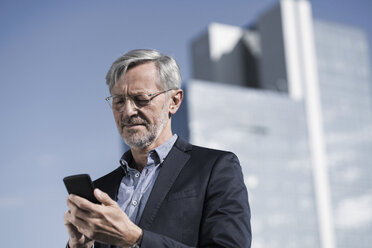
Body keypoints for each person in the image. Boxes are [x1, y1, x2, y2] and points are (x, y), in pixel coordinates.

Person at [64, 49, 252, 248]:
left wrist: (136, 239)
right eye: (119, 101)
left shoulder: (214, 168)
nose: (127, 111)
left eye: (141, 99)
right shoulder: (100, 190)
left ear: (174, 101)